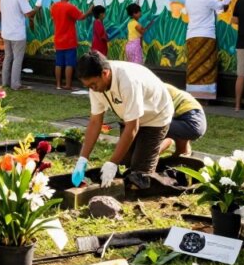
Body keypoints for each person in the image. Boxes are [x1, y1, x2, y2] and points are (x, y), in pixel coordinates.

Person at [72, 51, 174, 189]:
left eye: (93, 85)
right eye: (88, 86)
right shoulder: (95, 86)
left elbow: (133, 127)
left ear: (105, 73)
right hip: (130, 116)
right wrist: (82, 159)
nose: (92, 89)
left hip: (155, 116)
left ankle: (163, 144)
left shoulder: (128, 81)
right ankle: (150, 150)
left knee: (138, 177)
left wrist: (112, 162)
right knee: (125, 164)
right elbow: (96, 121)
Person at [184, 0, 232, 99]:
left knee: (193, 64)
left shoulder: (189, 0)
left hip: (191, 36)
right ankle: (205, 96)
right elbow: (222, 8)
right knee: (208, 64)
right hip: (206, 36)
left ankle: (192, 94)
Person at [0, 0, 41, 90]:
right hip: (17, 34)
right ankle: (16, 84)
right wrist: (38, 4)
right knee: (17, 59)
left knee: (8, 57)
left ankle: (4, 83)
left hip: (6, 32)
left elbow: (1, 11)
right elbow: (29, 14)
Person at [50, 0, 92, 90]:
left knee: (58, 63)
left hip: (58, 40)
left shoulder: (54, 6)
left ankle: (58, 85)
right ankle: (68, 85)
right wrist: (90, 10)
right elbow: (81, 17)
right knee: (69, 64)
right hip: (69, 40)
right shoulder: (69, 7)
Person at [160, 83, 207, 157]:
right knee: (181, 152)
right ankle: (182, 158)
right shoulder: (157, 85)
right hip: (193, 117)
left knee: (154, 128)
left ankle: (148, 158)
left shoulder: (153, 89)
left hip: (192, 120)